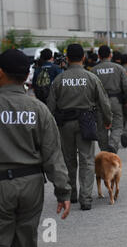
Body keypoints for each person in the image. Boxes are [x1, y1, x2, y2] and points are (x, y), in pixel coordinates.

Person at [0, 49, 71, 247]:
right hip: (32, 186)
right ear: (27, 75)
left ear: (0, 73)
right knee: (26, 245)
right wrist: (63, 191)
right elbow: (53, 155)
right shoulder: (39, 109)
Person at [47, 44, 112, 211]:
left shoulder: (59, 80)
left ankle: (72, 195)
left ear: (67, 58)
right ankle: (86, 199)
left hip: (65, 124)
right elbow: (103, 101)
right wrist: (107, 119)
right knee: (87, 160)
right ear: (83, 58)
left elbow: (50, 107)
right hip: (86, 122)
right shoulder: (91, 78)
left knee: (68, 160)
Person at [92, 45, 127, 154]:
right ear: (110, 55)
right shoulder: (118, 68)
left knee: (102, 129)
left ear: (99, 56)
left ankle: (105, 152)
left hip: (99, 103)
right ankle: (113, 144)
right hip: (115, 101)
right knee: (117, 126)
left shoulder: (93, 70)